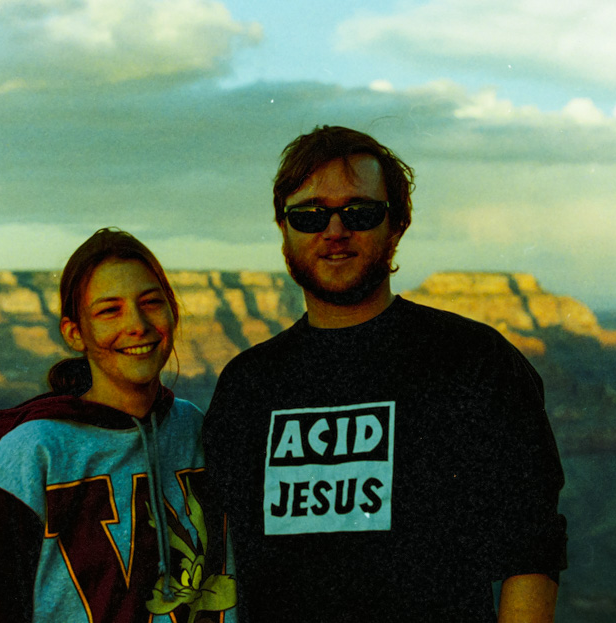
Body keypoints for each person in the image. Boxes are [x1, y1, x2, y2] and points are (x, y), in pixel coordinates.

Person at [203, 126, 567, 622]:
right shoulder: (247, 385)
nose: (334, 231)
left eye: (360, 212)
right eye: (309, 215)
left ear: (397, 225)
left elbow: (531, 550)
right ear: (283, 228)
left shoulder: (476, 362)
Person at [0, 228, 236, 623]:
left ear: (173, 313)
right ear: (75, 334)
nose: (137, 324)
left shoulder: (194, 430)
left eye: (151, 303)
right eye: (110, 310)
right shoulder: (31, 456)